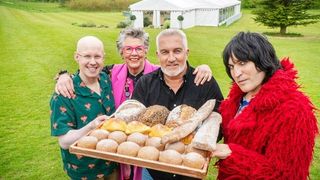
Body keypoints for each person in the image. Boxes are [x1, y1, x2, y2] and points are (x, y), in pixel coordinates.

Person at [55, 28, 213, 180]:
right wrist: (64, 76)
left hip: (149, 150)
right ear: (121, 52)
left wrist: (203, 68)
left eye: (139, 48)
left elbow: (179, 68)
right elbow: (88, 70)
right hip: (117, 149)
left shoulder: (160, 73)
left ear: (146, 51)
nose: (134, 53)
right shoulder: (110, 73)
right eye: (128, 48)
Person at [213, 32, 318, 179]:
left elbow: (286, 175)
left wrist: (232, 153)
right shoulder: (236, 99)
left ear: (263, 60)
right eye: (231, 66)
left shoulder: (294, 110)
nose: (236, 73)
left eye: (242, 63)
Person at [132, 29, 224, 179]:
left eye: (177, 51)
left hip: (190, 172)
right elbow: (135, 125)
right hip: (153, 172)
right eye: (165, 52)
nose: (171, 58)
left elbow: (219, 123)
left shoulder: (205, 82)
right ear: (158, 55)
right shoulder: (145, 84)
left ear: (187, 52)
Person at [50, 36, 118, 180]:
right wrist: (91, 127)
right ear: (77, 57)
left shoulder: (106, 78)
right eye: (87, 56)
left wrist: (62, 74)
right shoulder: (64, 94)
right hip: (84, 171)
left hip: (112, 165)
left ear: (103, 58)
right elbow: (64, 141)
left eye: (97, 56)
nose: (93, 62)